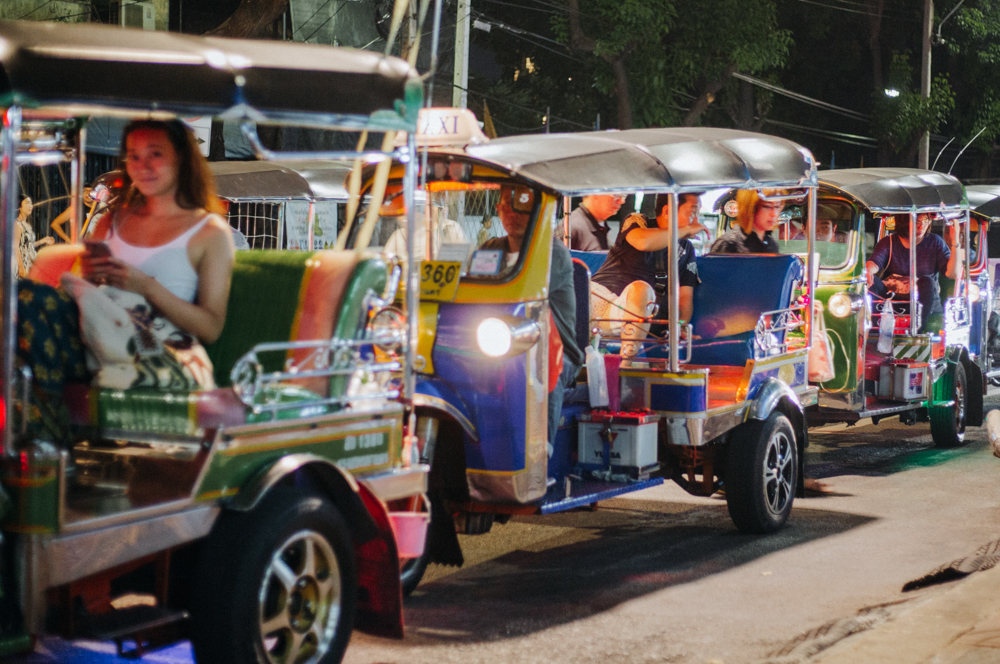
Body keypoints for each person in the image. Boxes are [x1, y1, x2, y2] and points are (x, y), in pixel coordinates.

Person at [84, 119, 235, 344]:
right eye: (134, 156)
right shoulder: (110, 221)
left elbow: (211, 329)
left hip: (162, 356)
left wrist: (147, 288)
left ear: (181, 157)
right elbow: (87, 295)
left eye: (155, 154)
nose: (143, 166)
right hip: (99, 346)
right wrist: (89, 276)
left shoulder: (211, 232)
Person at [484, 183, 584, 446]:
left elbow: (519, 294)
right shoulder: (491, 247)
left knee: (538, 366)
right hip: (498, 341)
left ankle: (540, 449)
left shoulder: (553, 253)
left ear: (537, 211)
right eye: (506, 205)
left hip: (553, 350)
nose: (512, 213)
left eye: (521, 205)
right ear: (498, 209)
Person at [589, 192, 705, 357]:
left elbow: (685, 297)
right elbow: (643, 242)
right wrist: (684, 230)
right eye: (692, 213)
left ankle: (626, 365)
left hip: (635, 314)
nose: (696, 221)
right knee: (641, 290)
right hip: (599, 299)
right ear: (667, 211)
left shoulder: (686, 249)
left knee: (643, 293)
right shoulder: (638, 221)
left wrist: (680, 326)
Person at [865, 213, 963, 332]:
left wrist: (955, 240)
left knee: (927, 282)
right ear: (904, 221)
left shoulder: (935, 241)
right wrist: (868, 271)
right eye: (917, 222)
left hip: (923, 303)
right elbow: (875, 262)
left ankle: (916, 330)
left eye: (926, 222)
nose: (922, 227)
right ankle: (875, 330)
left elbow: (953, 273)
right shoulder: (889, 242)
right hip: (893, 300)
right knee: (869, 282)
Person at [712, 189, 783, 254]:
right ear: (750, 207)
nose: (774, 214)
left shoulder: (772, 245)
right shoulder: (727, 244)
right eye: (767, 206)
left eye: (777, 206)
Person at [15, 196, 55, 278]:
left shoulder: (28, 225)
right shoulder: (17, 224)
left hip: (31, 263)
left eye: (31, 203)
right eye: (27, 203)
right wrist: (21, 267)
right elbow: (15, 247)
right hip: (23, 263)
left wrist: (43, 241)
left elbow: (28, 245)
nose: (30, 206)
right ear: (20, 206)